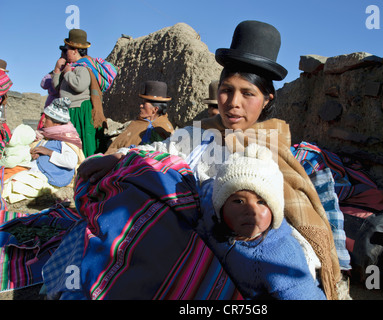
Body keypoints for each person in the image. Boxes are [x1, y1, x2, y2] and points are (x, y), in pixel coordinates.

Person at [77, 20, 341, 300]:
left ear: (266, 99)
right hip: (169, 241)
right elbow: (159, 153)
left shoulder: (272, 150)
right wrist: (120, 158)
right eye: (227, 90)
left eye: (248, 93)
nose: (233, 102)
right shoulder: (196, 134)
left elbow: (288, 241)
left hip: (226, 259)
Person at [194, 143, 326, 299]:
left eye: (262, 202)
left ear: (275, 210)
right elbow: (208, 192)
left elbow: (303, 295)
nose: (251, 211)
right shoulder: (212, 219)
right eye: (239, 201)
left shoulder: (280, 256)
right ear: (221, 207)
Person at [2, 97, 85, 204]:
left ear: (56, 123)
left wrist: (48, 152)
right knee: (6, 173)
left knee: (15, 184)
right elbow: (40, 148)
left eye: (47, 118)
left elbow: (70, 162)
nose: (43, 120)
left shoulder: (66, 139)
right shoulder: (47, 134)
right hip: (36, 170)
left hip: (51, 177)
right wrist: (35, 153)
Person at [52, 29, 108, 157]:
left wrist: (68, 73)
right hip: (71, 111)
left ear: (75, 50)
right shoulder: (70, 67)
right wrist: (57, 70)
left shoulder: (83, 67)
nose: (65, 53)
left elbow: (79, 85)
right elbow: (57, 87)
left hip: (80, 111)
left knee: (82, 144)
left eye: (67, 49)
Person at [104, 80, 174, 155]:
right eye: (141, 103)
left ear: (155, 110)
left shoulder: (161, 129)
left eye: (144, 104)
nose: (140, 106)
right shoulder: (138, 123)